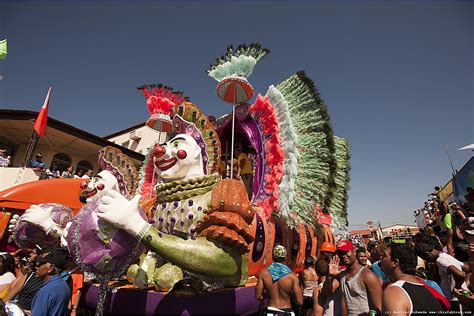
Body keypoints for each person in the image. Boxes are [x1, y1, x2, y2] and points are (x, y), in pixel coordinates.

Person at [381, 243, 444, 314]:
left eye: (384, 256)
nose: (381, 258)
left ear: (395, 262)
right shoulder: (426, 289)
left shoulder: (394, 291)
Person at [327, 240, 382, 315]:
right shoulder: (342, 276)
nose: (343, 255)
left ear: (354, 252)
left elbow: (378, 308)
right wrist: (330, 276)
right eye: (340, 253)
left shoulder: (367, 275)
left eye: (346, 252)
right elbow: (328, 294)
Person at [414, 234, 468, 304]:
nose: (427, 261)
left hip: (454, 300)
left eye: (425, 258)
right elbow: (467, 268)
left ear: (427, 254)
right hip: (461, 296)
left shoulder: (440, 260)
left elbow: (460, 274)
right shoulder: (446, 256)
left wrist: (457, 288)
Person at [256, 245, 303, 315]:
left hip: (271, 311)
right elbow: (300, 301)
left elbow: (258, 296)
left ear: (272, 257)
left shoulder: (264, 273)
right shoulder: (292, 276)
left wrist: (269, 293)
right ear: (286, 257)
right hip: (287, 312)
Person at [30, 249, 71, 316]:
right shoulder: (64, 285)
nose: (36, 267)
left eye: (40, 264)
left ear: (50, 268)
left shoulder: (46, 292)